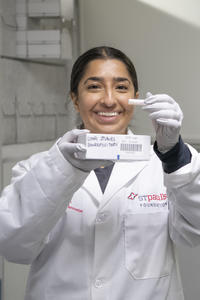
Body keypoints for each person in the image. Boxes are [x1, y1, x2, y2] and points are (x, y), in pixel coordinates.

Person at [0, 46, 200, 300]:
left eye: (121, 87)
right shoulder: (36, 170)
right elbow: (13, 246)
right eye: (94, 87)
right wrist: (64, 170)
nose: (108, 99)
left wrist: (174, 155)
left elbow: (194, 231)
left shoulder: (165, 166)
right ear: (75, 98)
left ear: (137, 97)